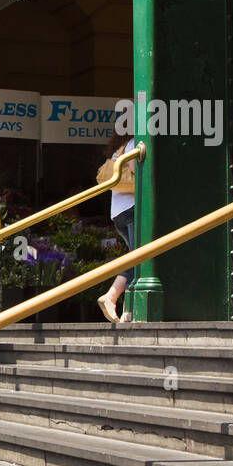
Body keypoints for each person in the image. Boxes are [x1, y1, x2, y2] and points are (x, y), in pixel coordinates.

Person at [97, 130, 138, 323]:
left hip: (118, 212)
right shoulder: (135, 143)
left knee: (135, 256)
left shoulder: (118, 149)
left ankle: (125, 308)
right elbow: (136, 171)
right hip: (132, 209)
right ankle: (114, 298)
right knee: (139, 258)